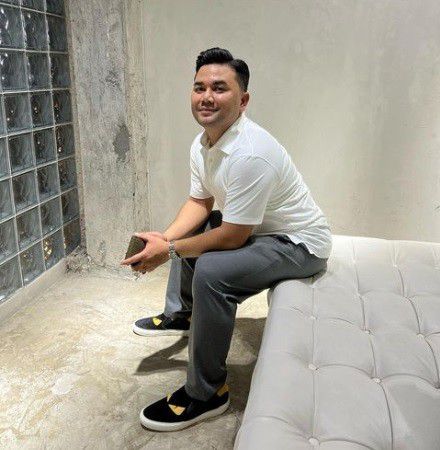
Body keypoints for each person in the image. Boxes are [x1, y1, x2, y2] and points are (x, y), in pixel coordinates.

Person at [121, 47, 332, 431]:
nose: (206, 97)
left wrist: (169, 251)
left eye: (219, 88)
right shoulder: (203, 143)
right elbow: (200, 203)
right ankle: (182, 315)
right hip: (260, 231)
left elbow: (233, 237)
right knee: (198, 229)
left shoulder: (251, 153)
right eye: (199, 87)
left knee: (212, 271)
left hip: (299, 245)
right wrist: (164, 238)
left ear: (243, 100)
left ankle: (207, 394)